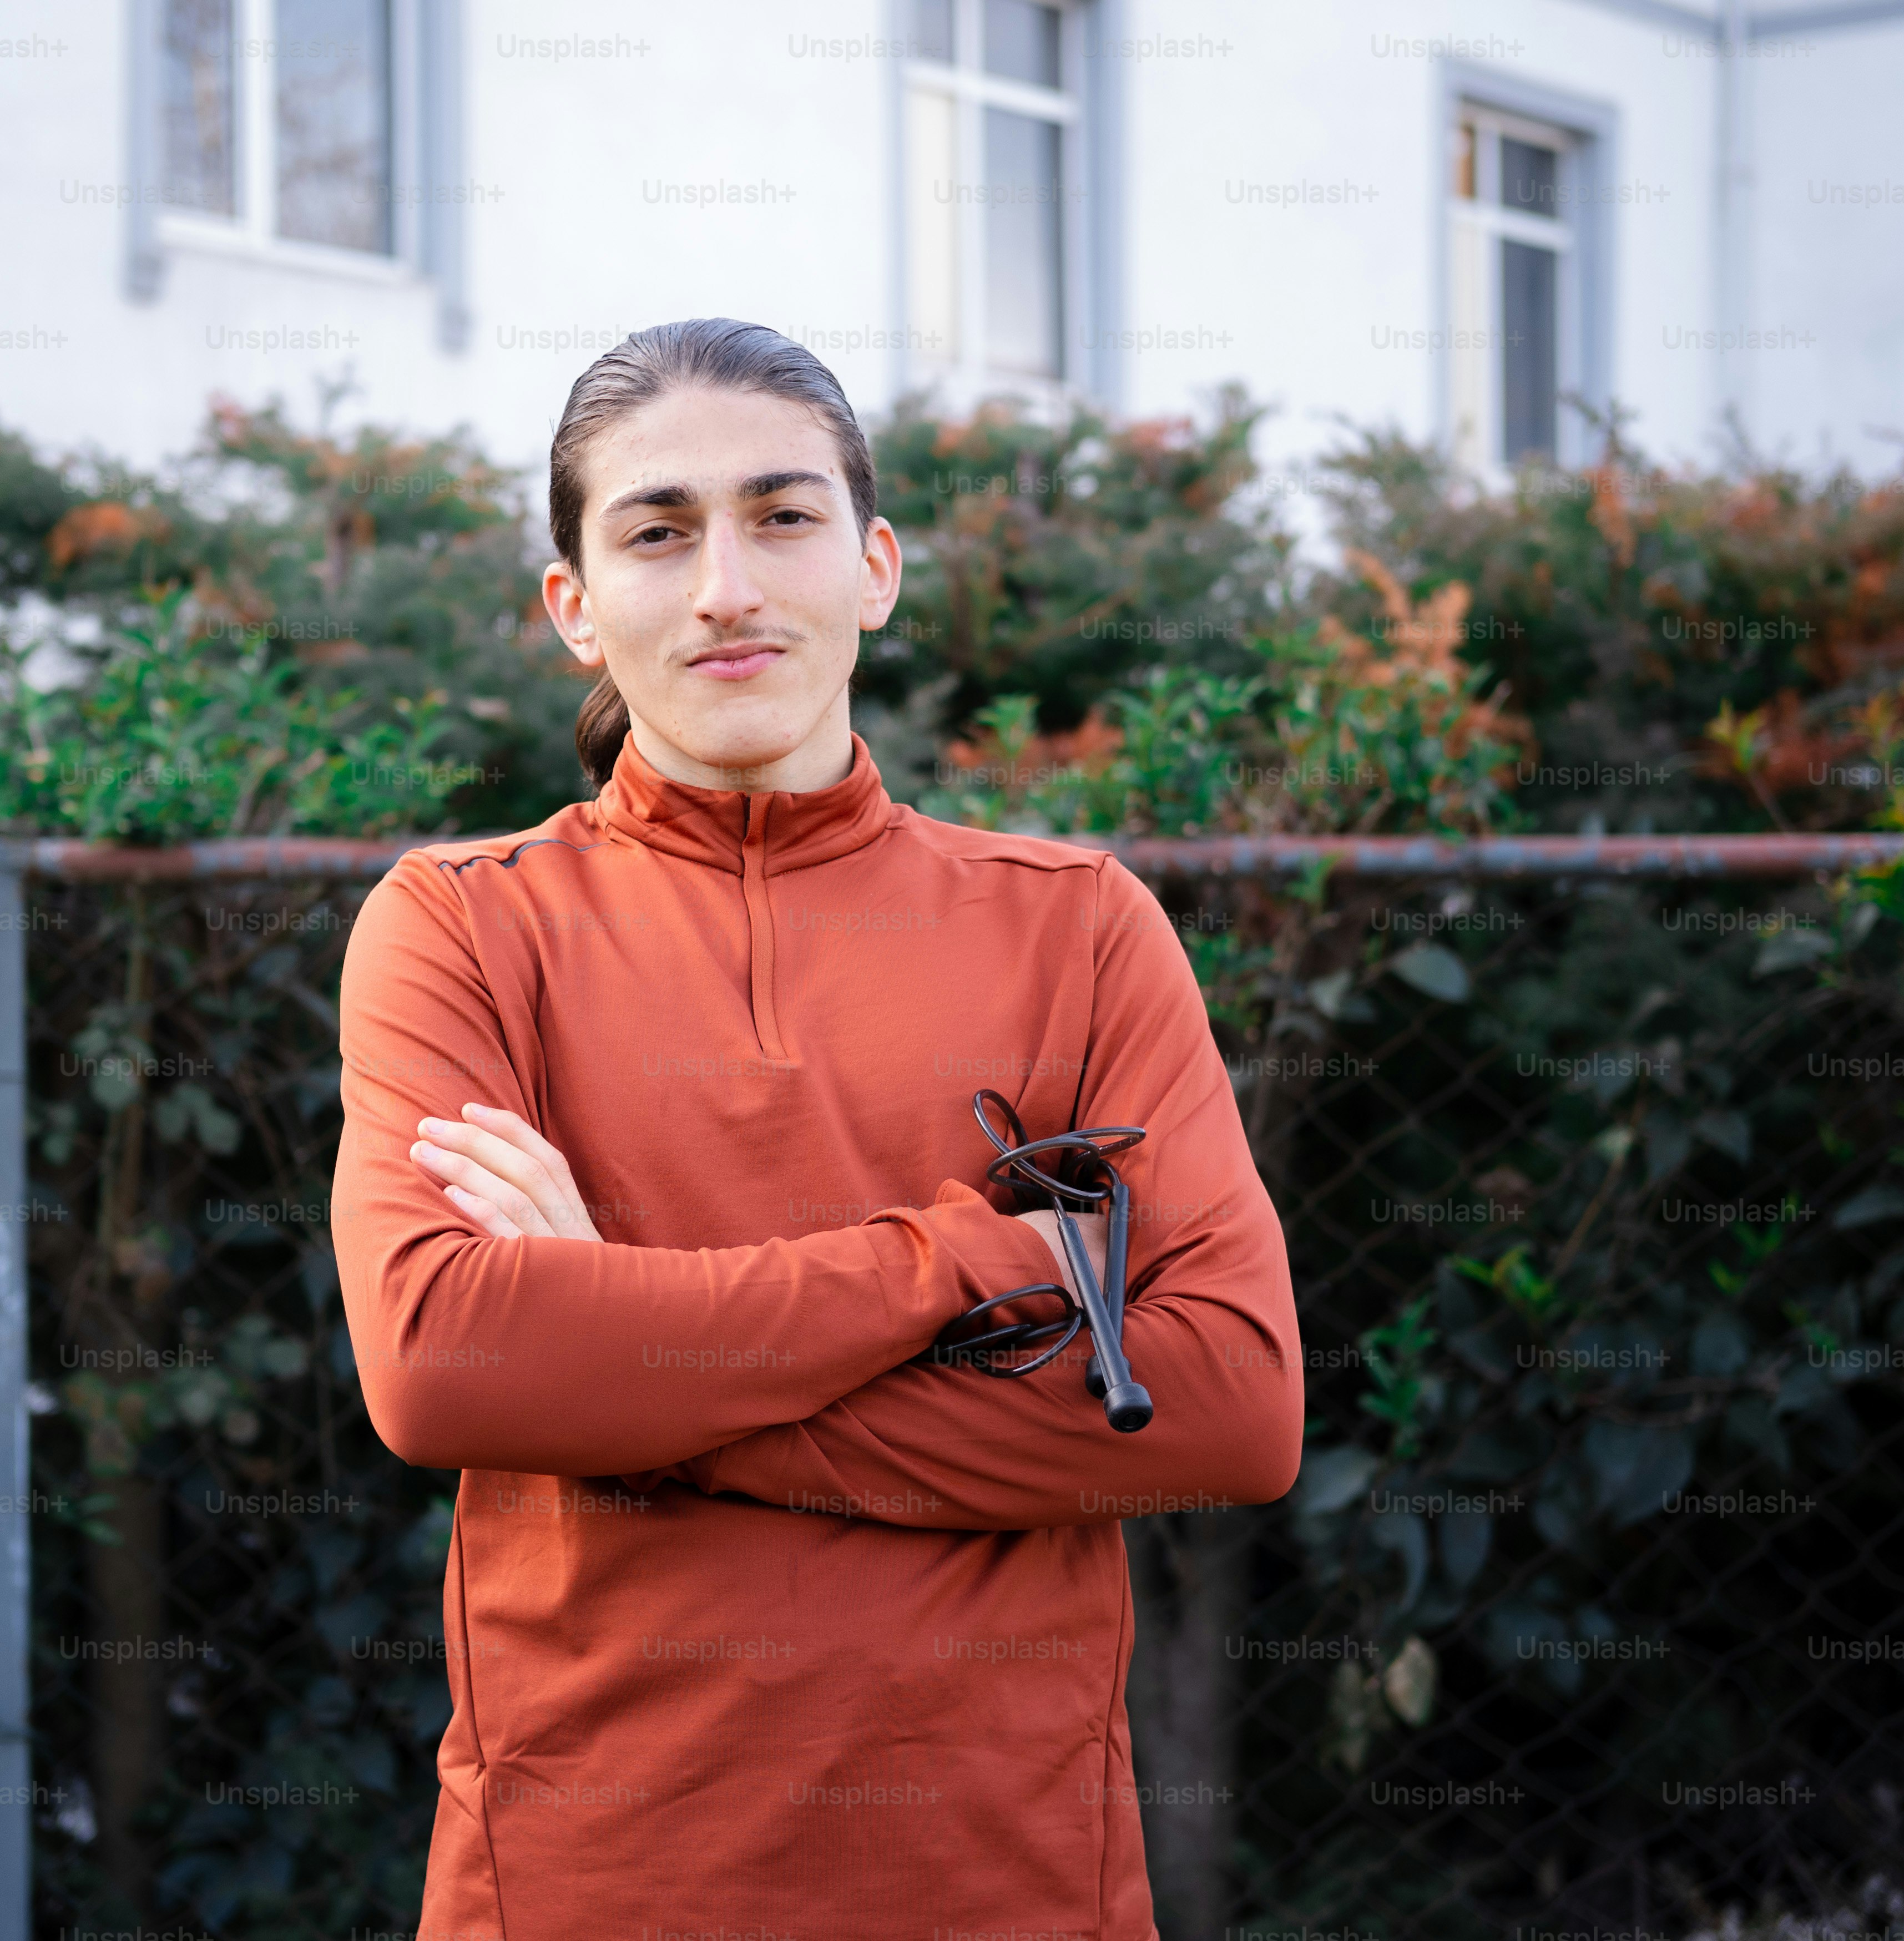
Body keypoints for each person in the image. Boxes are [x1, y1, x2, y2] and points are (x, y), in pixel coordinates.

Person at [330, 317, 1301, 1940]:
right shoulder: (459, 926)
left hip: (1007, 1888)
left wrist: (625, 1369)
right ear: (574, 606)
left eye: (780, 517)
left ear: (873, 567)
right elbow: (447, 1365)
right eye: (657, 531)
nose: (725, 583)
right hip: (584, 1888)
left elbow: (1225, 1402)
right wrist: (959, 1261)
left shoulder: (1076, 926)